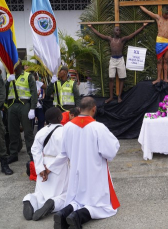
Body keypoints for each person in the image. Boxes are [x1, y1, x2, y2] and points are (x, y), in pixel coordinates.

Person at [45, 97, 120, 229]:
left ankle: (63, 213)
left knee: (78, 199)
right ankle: (78, 216)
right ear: (94, 109)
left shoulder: (67, 127)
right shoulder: (98, 127)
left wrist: (49, 168)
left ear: (79, 109)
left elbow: (63, 153)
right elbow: (111, 150)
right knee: (102, 206)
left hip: (76, 172)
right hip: (94, 172)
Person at [23, 107, 69, 221]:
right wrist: (50, 168)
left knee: (40, 193)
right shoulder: (65, 132)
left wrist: (40, 168)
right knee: (65, 194)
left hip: (43, 163)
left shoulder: (41, 131)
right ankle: (53, 204)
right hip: (59, 167)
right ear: (60, 117)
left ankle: (29, 200)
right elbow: (64, 153)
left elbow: (35, 150)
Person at [87, 23, 148, 103]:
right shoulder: (110, 39)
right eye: (117, 30)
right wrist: (91, 27)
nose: (118, 31)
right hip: (112, 60)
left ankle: (119, 96)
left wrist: (143, 26)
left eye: (119, 30)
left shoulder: (122, 40)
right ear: (114, 31)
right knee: (111, 78)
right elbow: (99, 34)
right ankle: (111, 97)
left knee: (122, 78)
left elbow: (133, 34)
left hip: (120, 60)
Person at [6, 61, 38, 163]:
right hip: (12, 105)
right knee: (12, 131)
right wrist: (7, 81)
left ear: (20, 65)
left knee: (28, 131)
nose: (14, 66)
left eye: (16, 64)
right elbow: (3, 91)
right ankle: (13, 153)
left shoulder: (28, 76)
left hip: (25, 105)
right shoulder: (8, 75)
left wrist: (33, 108)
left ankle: (32, 154)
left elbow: (34, 93)